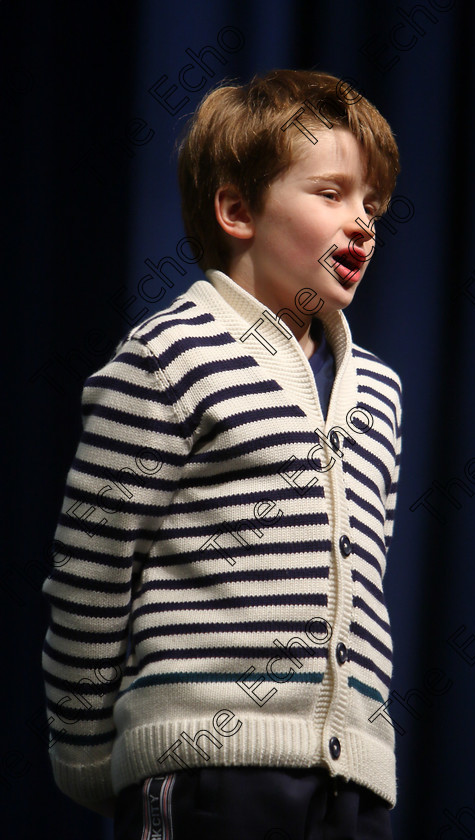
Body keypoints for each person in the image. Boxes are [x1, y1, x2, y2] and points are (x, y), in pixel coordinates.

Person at [41, 69, 403, 839]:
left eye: (373, 203)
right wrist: (86, 758)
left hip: (350, 787)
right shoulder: (172, 356)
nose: (364, 221)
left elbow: (362, 585)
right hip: (209, 772)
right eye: (332, 193)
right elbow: (91, 573)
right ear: (238, 210)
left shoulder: (378, 392)